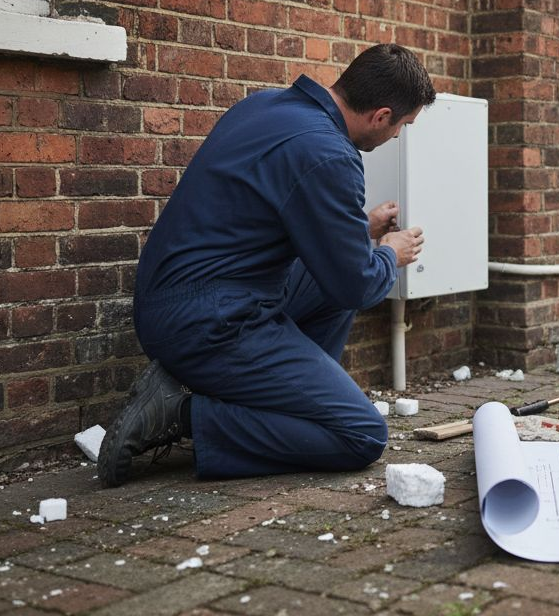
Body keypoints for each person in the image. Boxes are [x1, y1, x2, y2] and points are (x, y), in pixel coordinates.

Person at [98, 43, 432, 487]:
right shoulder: (330, 153)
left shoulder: (265, 107)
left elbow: (267, 212)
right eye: (402, 126)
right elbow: (356, 285)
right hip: (209, 322)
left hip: (174, 298)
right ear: (381, 115)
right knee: (361, 434)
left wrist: (359, 230)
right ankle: (181, 412)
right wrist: (389, 252)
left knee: (333, 282)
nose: (397, 136)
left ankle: (292, 402)